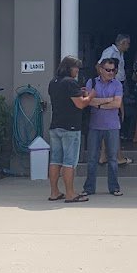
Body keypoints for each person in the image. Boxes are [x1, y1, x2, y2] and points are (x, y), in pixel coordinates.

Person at [46, 56, 93, 203]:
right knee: (69, 161)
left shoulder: (53, 82)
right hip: (70, 127)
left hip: (55, 126)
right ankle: (70, 193)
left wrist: (79, 91)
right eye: (75, 68)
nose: (77, 71)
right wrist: (90, 96)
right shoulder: (70, 82)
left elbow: (64, 97)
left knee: (55, 160)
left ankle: (54, 192)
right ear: (69, 68)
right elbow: (80, 104)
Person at [84, 58, 124, 196]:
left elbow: (117, 104)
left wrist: (98, 104)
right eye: (108, 70)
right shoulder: (92, 82)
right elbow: (88, 101)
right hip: (95, 126)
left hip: (112, 126)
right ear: (101, 69)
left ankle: (114, 187)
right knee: (92, 159)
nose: (111, 73)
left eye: (113, 70)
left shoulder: (118, 84)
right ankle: (89, 188)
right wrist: (108, 100)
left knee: (113, 159)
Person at [99, 35, 133, 166]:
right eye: (127, 43)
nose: (128, 46)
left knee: (107, 125)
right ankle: (118, 157)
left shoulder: (119, 54)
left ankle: (103, 156)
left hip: (115, 87)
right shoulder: (110, 52)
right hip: (113, 89)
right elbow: (99, 65)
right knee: (115, 124)